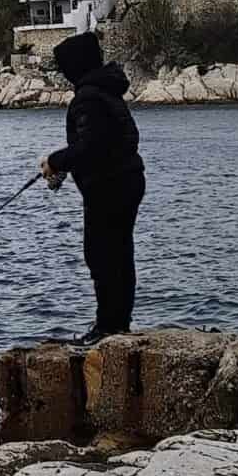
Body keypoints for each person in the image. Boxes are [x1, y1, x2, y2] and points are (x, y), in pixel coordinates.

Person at [41, 31, 146, 343]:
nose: (63, 74)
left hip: (109, 186)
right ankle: (117, 324)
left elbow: (91, 146)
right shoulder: (107, 90)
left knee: (102, 255)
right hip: (127, 180)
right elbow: (108, 141)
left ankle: (108, 327)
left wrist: (55, 161)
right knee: (119, 254)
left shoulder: (88, 97)